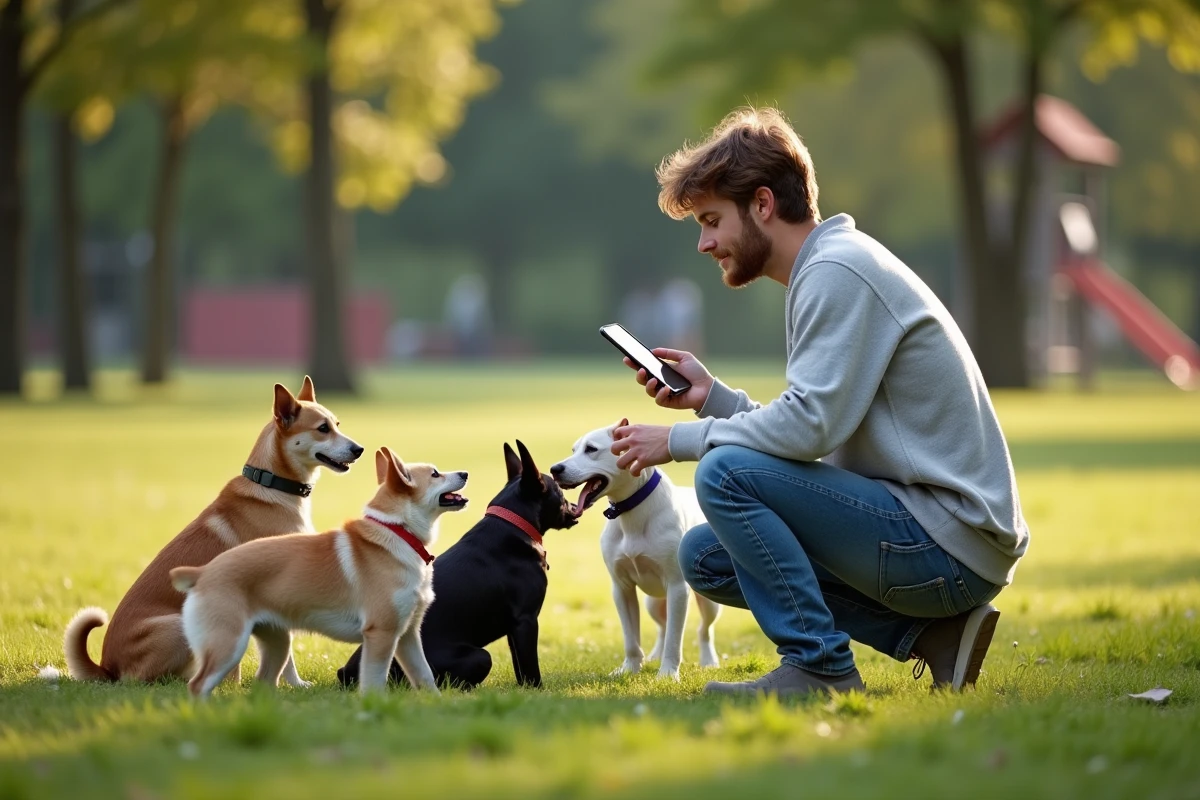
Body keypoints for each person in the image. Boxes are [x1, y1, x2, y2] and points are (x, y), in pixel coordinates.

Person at [610, 107, 1029, 697]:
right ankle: (938, 640)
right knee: (704, 555)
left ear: (762, 204)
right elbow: (811, 435)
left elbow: (808, 431)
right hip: (934, 533)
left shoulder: (837, 271)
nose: (704, 243)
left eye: (711, 221)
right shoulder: (829, 267)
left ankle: (819, 668)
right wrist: (715, 401)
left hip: (946, 542)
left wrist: (675, 442)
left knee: (723, 473)